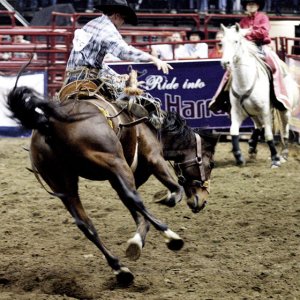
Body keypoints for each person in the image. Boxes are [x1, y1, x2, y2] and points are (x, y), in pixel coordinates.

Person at [64, 0, 173, 128]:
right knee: (138, 96)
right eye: (123, 19)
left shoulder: (92, 24)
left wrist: (115, 75)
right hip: (87, 78)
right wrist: (152, 58)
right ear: (116, 15)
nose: (123, 23)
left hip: (71, 78)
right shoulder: (108, 29)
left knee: (122, 84)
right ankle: (154, 127)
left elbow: (90, 61)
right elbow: (123, 51)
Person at [209, 0, 290, 113]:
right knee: (230, 70)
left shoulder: (263, 17)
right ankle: (220, 99)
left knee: (273, 61)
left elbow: (264, 32)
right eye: (249, 4)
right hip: (246, 48)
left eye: (253, 4)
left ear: (257, 6)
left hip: (261, 46)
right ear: (246, 7)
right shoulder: (243, 21)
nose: (251, 6)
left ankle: (280, 95)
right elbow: (238, 37)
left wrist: (247, 33)